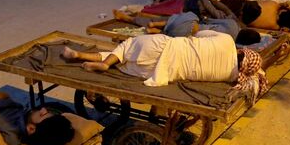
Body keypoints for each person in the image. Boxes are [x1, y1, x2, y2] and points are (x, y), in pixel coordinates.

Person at [61, 30, 268, 98]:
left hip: (166, 48)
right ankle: (82, 56)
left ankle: (97, 61)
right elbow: (254, 75)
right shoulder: (230, 76)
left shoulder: (226, 40)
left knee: (127, 46)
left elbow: (199, 34)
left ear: (242, 52)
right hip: (161, 71)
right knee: (122, 60)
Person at [111, 9, 261, 45]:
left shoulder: (232, 24)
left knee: (189, 17)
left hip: (188, 25)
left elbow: (208, 20)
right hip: (183, 36)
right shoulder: (228, 43)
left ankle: (151, 23)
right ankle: (157, 29)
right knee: (178, 33)